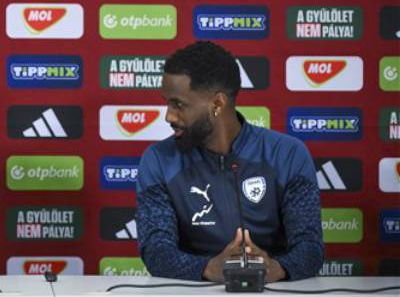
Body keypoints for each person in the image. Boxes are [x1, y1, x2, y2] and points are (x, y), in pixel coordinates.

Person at [136, 41, 323, 282]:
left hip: (273, 295)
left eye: (178, 105)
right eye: (167, 103)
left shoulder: (288, 154)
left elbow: (310, 249)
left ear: (217, 104)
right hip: (190, 296)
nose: (169, 116)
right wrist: (208, 268)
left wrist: (274, 268)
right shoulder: (158, 160)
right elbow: (156, 252)